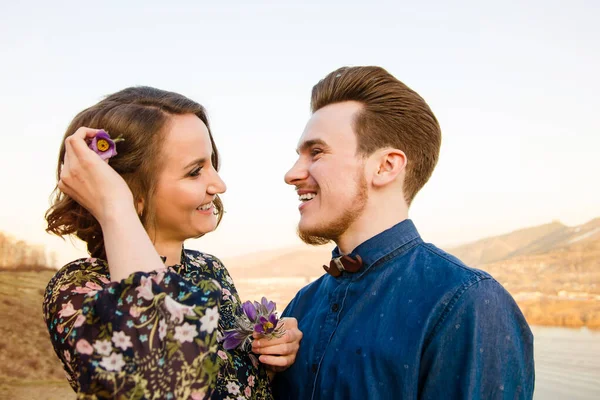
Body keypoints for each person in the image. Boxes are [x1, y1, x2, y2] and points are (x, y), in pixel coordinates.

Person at [271, 66, 535, 399]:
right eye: (299, 156)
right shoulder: (302, 305)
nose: (292, 174)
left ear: (385, 167)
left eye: (317, 152)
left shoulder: (467, 303)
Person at [43, 86, 301, 399]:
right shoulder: (79, 289)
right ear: (130, 192)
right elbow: (166, 378)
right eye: (195, 172)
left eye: (211, 164)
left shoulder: (210, 269)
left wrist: (271, 359)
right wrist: (115, 206)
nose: (218, 184)